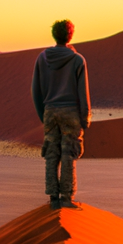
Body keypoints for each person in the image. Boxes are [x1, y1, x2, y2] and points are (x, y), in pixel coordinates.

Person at [32, 19, 91, 210]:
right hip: (71, 113)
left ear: (54, 35)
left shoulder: (42, 58)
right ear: (70, 35)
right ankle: (67, 197)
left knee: (51, 153)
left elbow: (36, 90)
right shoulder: (77, 60)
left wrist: (44, 114)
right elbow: (83, 92)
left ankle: (53, 197)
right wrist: (85, 117)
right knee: (68, 153)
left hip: (50, 111)